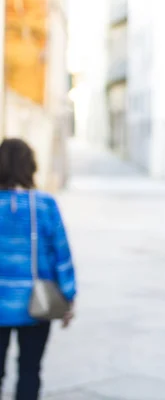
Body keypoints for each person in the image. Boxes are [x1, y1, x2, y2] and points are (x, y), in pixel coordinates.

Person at [0, 138, 76, 400]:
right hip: (37, 302)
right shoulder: (44, 204)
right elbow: (61, 255)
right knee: (30, 370)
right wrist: (68, 296)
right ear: (30, 166)